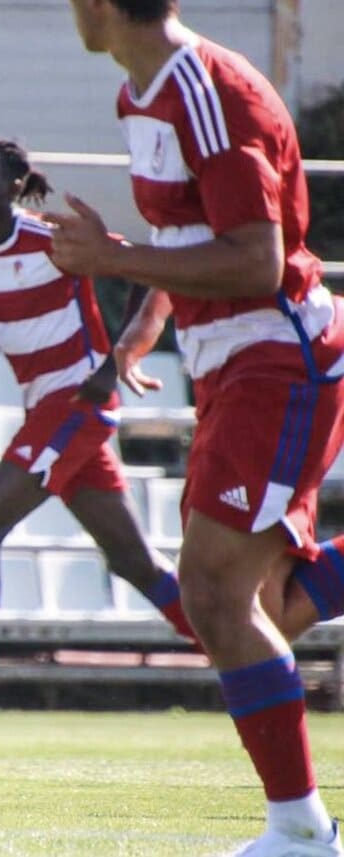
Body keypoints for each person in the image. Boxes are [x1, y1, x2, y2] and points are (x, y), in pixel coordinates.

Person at [49, 2, 344, 854]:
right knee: (261, 613)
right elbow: (189, 236)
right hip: (228, 364)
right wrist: (143, 325)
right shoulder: (138, 95)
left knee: (214, 596)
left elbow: (257, 256)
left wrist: (110, 258)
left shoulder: (209, 92)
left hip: (274, 357)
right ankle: (302, 829)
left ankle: (300, 831)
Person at [0, 135, 199, 747]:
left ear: (15, 186)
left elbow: (145, 274)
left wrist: (115, 361)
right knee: (134, 564)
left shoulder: (52, 239)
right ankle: (247, 656)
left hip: (78, 404)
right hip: (46, 409)